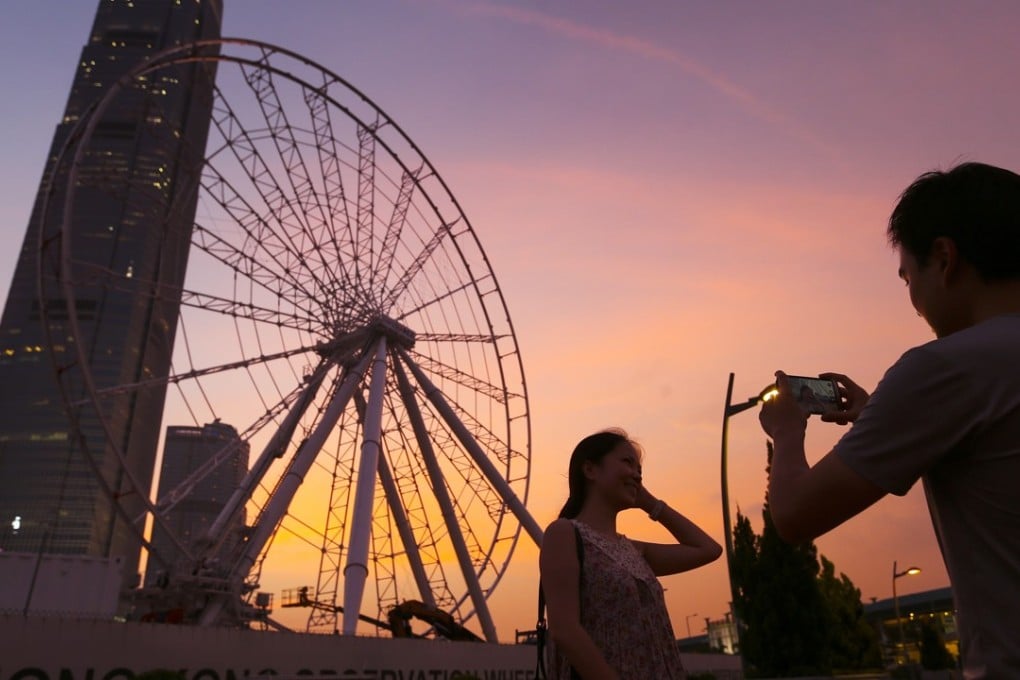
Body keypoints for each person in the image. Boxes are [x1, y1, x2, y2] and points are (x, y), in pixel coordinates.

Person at [758, 161, 1020, 678]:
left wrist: (787, 431)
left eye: (908, 277)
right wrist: (881, 417)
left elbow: (793, 517)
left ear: (944, 259)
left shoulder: (943, 367)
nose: (914, 301)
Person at [539, 429, 722, 679]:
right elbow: (564, 629)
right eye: (627, 463)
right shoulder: (564, 534)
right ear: (590, 470)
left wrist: (649, 502)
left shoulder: (634, 550)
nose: (637, 474)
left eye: (640, 470)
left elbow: (708, 549)